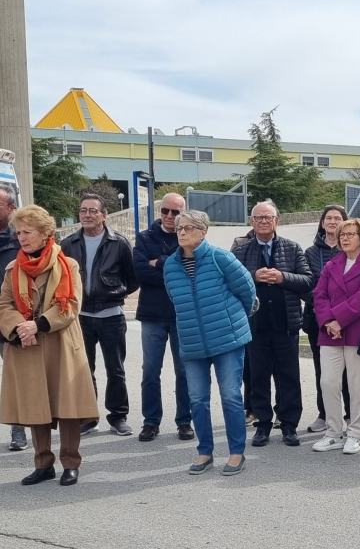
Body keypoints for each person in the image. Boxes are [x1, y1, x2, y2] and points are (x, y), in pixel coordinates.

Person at [0, 204, 98, 486]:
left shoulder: (68, 265)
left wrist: (38, 324)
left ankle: (70, 463)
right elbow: (4, 304)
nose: (22, 238)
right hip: (26, 346)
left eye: (27, 232)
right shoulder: (12, 269)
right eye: (18, 233)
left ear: (45, 234)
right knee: (35, 407)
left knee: (67, 407)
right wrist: (19, 328)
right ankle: (43, 464)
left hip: (61, 344)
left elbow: (70, 305)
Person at [164, 210, 255, 476]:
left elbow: (247, 291)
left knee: (230, 395)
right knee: (197, 399)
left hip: (228, 339)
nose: (181, 232)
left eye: (188, 227)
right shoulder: (171, 265)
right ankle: (205, 452)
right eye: (179, 228)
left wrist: (234, 321)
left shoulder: (220, 257)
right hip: (192, 342)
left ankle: (237, 452)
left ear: (203, 231)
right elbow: (174, 299)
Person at [231, 201, 312, 448]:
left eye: (268, 217)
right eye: (258, 218)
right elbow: (230, 281)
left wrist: (282, 277)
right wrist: (252, 275)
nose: (263, 221)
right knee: (258, 377)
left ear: (277, 220)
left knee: (288, 376)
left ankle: (289, 425)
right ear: (252, 221)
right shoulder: (241, 251)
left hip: (286, 322)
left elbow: (308, 281)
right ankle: (262, 424)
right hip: (255, 324)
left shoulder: (292, 248)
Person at [60, 193, 138, 436]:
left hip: (112, 315)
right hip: (80, 316)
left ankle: (118, 416)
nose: (87, 215)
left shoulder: (119, 243)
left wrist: (115, 293)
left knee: (116, 369)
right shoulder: (68, 243)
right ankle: (88, 416)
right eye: (83, 210)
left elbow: (133, 279)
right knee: (84, 369)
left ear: (104, 216)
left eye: (93, 211)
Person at [311, 218, 360, 455]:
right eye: (343, 234)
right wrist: (328, 321)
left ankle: (355, 433)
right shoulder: (332, 265)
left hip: (357, 331)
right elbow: (319, 295)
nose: (345, 238)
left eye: (351, 234)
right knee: (328, 382)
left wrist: (338, 320)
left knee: (356, 385)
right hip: (330, 333)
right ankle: (333, 432)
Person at [132, 192, 194, 443]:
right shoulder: (145, 237)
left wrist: (160, 262)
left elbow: (192, 271)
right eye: (165, 211)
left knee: (184, 370)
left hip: (183, 315)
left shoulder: (190, 237)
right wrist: (173, 269)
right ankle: (150, 421)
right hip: (153, 314)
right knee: (150, 370)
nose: (169, 216)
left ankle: (184, 421)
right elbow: (140, 272)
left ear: (183, 213)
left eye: (175, 212)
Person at [304, 204, 351, 434]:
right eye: (328, 218)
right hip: (318, 320)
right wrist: (327, 317)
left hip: (348, 320)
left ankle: (351, 414)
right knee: (322, 371)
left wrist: (340, 316)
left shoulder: (351, 251)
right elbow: (310, 286)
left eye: (337, 218)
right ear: (322, 223)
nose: (332, 222)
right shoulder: (310, 253)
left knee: (349, 371)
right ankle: (324, 414)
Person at [0, 183, 27, 451]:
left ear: (11, 208)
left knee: (14, 379)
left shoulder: (18, 241)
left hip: (8, 321)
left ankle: (18, 430)